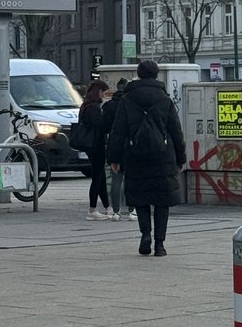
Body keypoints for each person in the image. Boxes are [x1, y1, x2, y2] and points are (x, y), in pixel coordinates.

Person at [107, 59, 186, 256]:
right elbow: (176, 131)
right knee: (161, 200)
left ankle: (145, 236)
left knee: (141, 198)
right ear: (156, 74)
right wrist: (181, 157)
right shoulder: (164, 99)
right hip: (162, 156)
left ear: (139, 74)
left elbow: (118, 131)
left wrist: (114, 158)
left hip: (136, 155)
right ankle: (160, 244)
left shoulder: (127, 99)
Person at [100, 77, 137, 220]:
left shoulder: (109, 106)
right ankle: (131, 210)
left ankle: (116, 211)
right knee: (130, 178)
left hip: (113, 144)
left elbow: (103, 127)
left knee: (116, 179)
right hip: (130, 145)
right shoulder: (132, 105)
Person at [78, 78, 111, 221]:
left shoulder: (85, 106)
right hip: (96, 144)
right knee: (98, 176)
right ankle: (92, 209)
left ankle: (107, 207)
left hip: (89, 144)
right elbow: (101, 126)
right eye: (103, 92)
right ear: (99, 92)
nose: (104, 95)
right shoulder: (95, 108)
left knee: (100, 176)